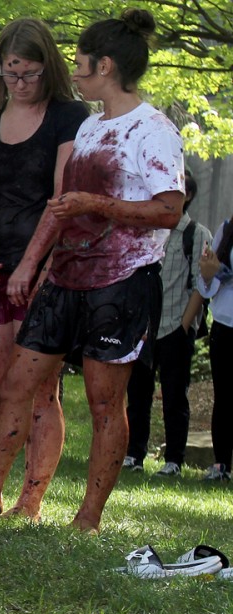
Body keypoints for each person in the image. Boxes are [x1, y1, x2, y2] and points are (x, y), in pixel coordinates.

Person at [0, 9, 185, 530]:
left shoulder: (154, 129)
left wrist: (97, 204)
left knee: (105, 402)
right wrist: (35, 264)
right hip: (64, 278)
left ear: (106, 66)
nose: (75, 72)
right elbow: (62, 206)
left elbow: (169, 211)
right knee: (17, 384)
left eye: (81, 64)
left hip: (122, 282)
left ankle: (87, 516)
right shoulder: (91, 126)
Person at [0, 18, 88, 513]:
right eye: (12, 73)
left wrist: (32, 266)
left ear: (47, 69)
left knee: (37, 388)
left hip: (47, 263)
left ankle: (30, 500)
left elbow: (61, 199)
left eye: (30, 73)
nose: (21, 83)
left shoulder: (70, 116)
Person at [124, 170, 212, 476]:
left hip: (176, 326)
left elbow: (201, 284)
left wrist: (184, 326)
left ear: (187, 196)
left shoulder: (196, 233)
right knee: (137, 395)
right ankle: (134, 454)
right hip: (143, 328)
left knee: (175, 396)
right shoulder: (147, 230)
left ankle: (174, 459)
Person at [197, 217, 233, 481]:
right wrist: (210, 274)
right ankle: (221, 465)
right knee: (224, 397)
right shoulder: (229, 227)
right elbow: (206, 283)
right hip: (224, 323)